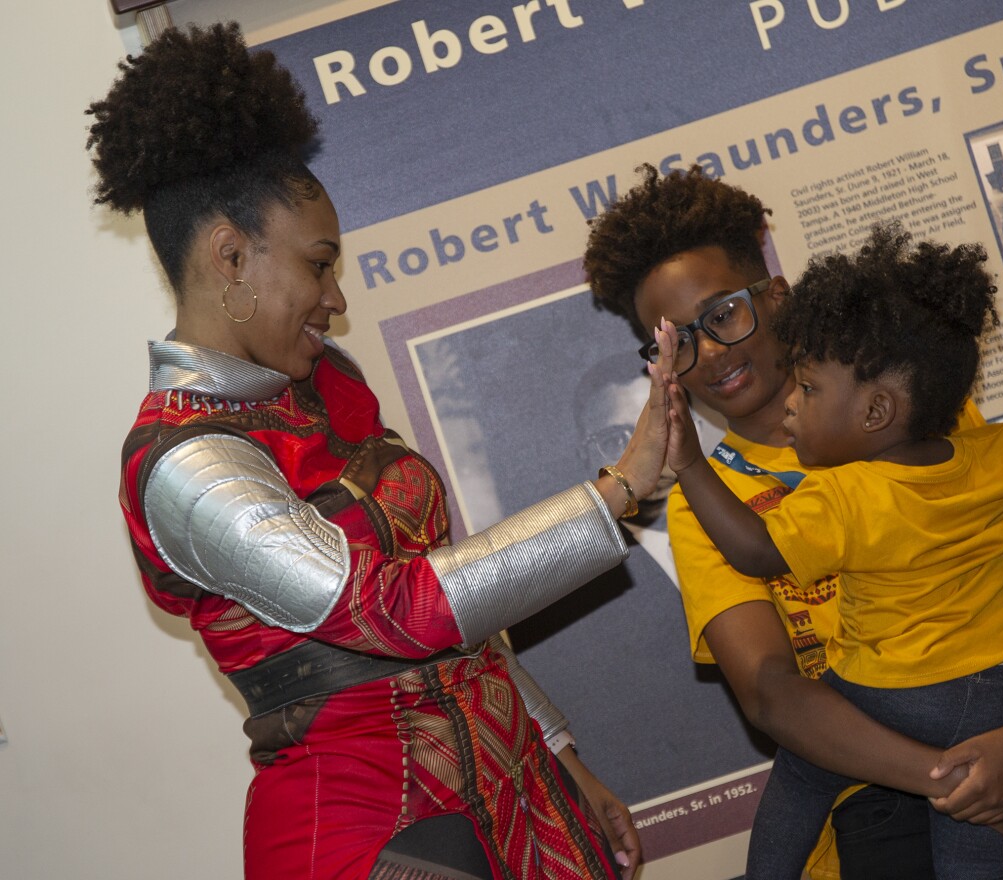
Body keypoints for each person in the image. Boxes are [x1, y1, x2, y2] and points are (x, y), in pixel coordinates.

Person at [90, 24, 660, 880]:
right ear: (230, 255)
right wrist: (616, 493)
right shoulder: (184, 464)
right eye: (319, 266)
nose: (336, 297)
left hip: (514, 793)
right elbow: (400, 608)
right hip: (374, 839)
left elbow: (443, 606)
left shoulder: (325, 383)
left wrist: (554, 751)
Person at [583, 164, 1003, 880]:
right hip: (880, 800)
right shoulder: (707, 505)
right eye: (678, 341)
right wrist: (952, 778)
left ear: (775, 294)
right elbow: (770, 692)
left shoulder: (903, 400)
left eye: (723, 313)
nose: (712, 352)